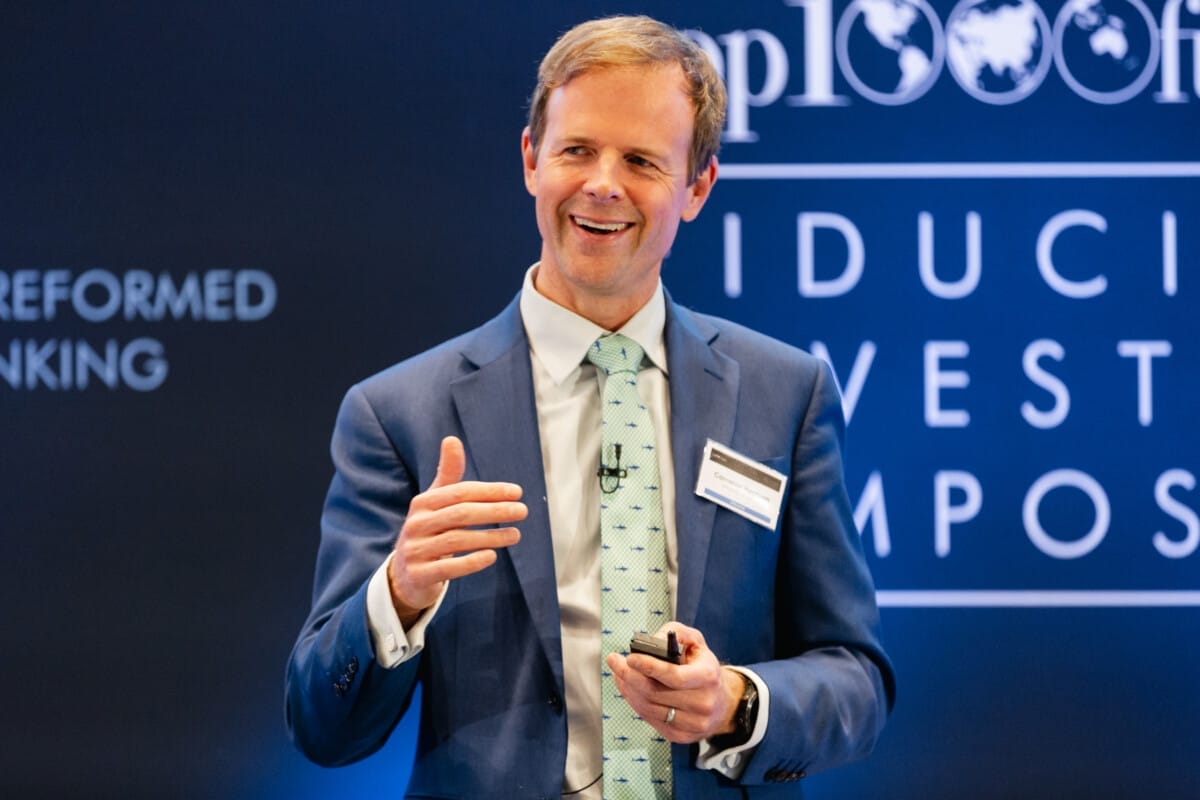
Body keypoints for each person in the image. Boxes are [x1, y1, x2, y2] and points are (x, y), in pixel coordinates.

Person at [286, 14, 894, 799]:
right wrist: (396, 594)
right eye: (577, 150)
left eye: (641, 160)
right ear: (531, 160)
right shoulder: (398, 412)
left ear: (698, 186)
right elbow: (321, 726)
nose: (603, 183)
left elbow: (856, 678)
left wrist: (735, 702)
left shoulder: (786, 394)